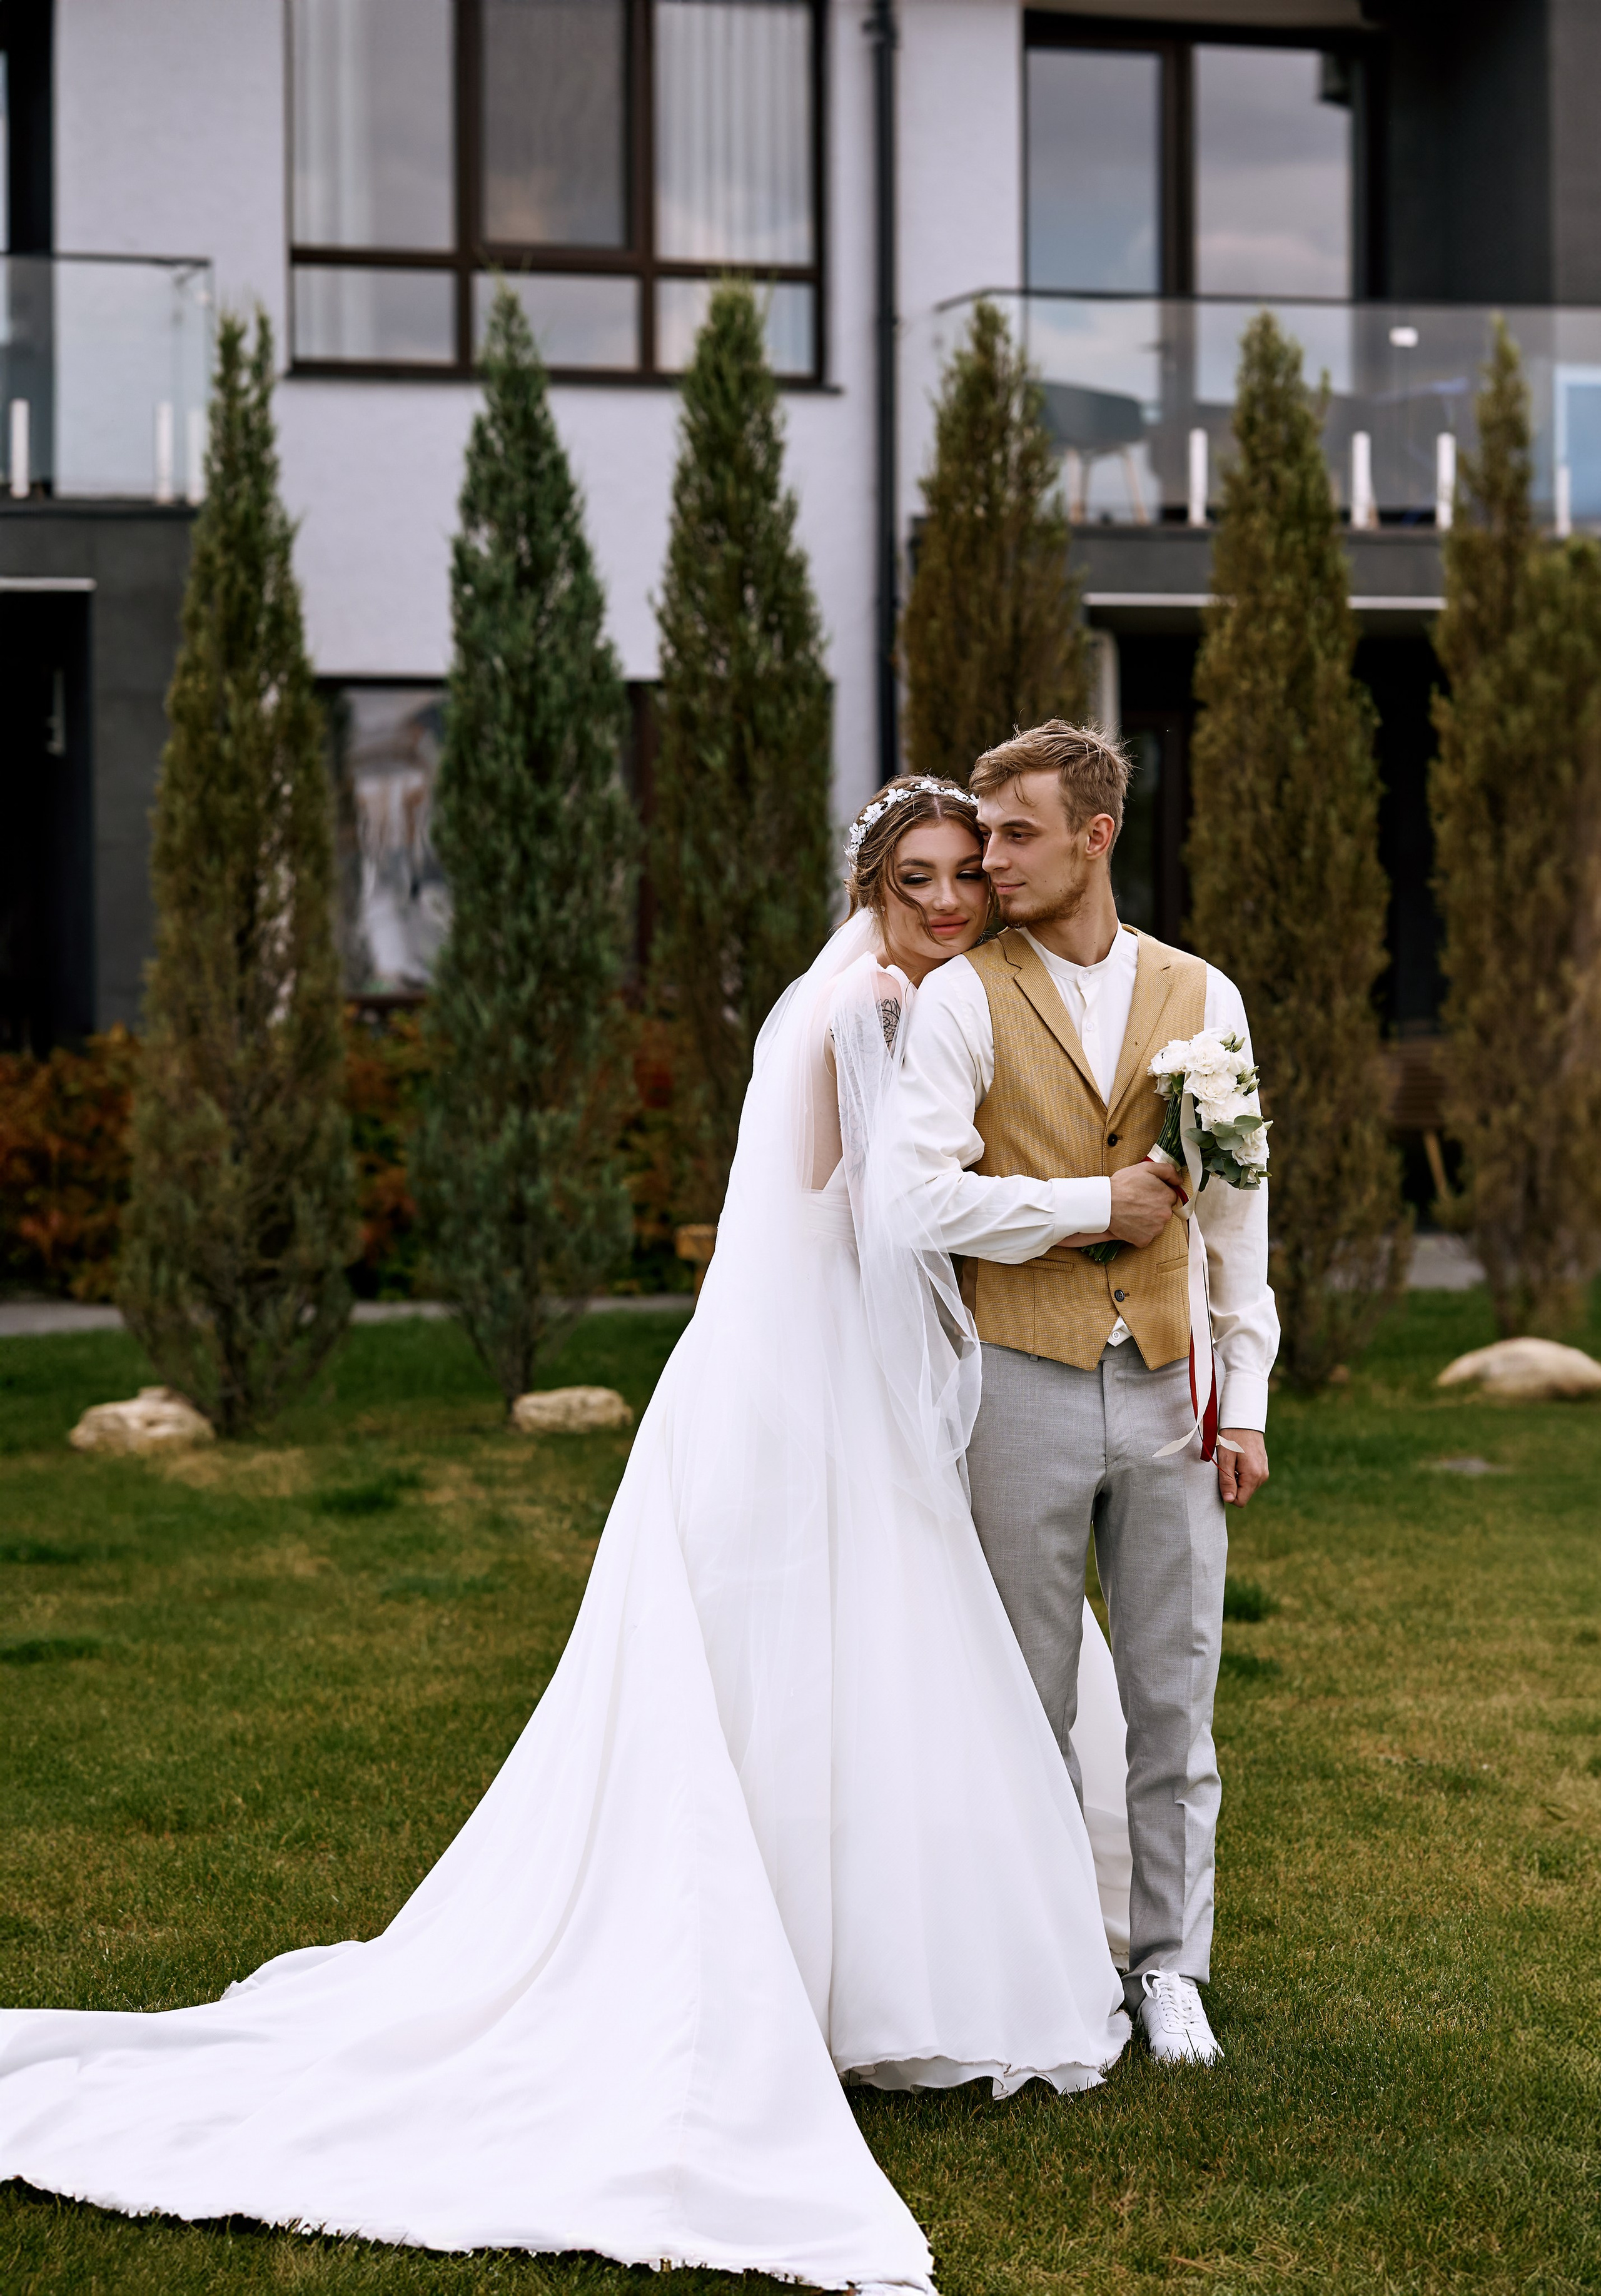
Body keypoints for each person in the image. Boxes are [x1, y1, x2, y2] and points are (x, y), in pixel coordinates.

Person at [0, 776, 1132, 2294]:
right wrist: (1060, 1208)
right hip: (799, 1379)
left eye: (962, 880)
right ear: (870, 883)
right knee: (808, 1647)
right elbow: (853, 1204)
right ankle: (814, 1972)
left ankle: (862, 1973)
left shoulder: (885, 998)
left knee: (868, 1645)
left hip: (803, 1362)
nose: (947, 901)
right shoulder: (864, 1007)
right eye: (916, 876)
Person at [892, 724, 1280, 2070]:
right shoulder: (958, 997)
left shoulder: (1202, 995)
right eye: (983, 836)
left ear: (1093, 837)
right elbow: (913, 1195)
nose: (985, 862)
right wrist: (1084, 1209)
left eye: (1013, 835)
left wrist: (1247, 1392)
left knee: (1177, 1694)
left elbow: (1235, 1212)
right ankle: (1055, 1961)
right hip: (1020, 1379)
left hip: (1174, 1388)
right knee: (1024, 1701)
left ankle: (1172, 1967)